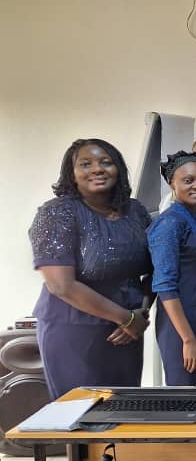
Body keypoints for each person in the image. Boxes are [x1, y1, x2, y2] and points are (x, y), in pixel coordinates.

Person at [29, 139, 151, 399]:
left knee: (126, 411)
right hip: (74, 330)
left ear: (118, 169)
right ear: (71, 175)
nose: (97, 169)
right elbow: (61, 285)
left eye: (106, 162)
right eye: (86, 164)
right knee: (80, 415)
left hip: (128, 331)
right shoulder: (57, 213)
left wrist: (140, 313)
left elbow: (157, 269)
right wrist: (125, 318)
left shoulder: (135, 211)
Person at [148, 151, 196, 385]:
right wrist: (188, 340)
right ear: (172, 183)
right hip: (180, 325)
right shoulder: (169, 223)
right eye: (188, 180)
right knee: (186, 398)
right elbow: (165, 286)